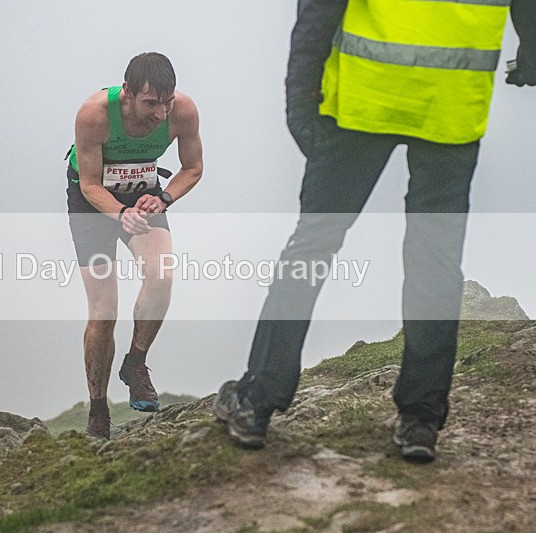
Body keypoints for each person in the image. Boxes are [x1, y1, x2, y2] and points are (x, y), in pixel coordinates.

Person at [214, 0, 535, 461]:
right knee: (435, 261)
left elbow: (317, 11)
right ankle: (420, 419)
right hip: (450, 110)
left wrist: (300, 98)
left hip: (362, 103)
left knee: (312, 247)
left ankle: (257, 400)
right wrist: (529, 59)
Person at [66, 52, 203, 439]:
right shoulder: (94, 114)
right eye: (150, 104)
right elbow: (91, 185)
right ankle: (98, 410)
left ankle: (136, 363)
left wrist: (164, 200)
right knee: (104, 310)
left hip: (144, 195)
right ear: (127, 92)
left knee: (162, 273)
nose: (161, 114)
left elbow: (192, 168)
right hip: (91, 202)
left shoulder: (183, 112)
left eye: (167, 102)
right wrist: (120, 215)